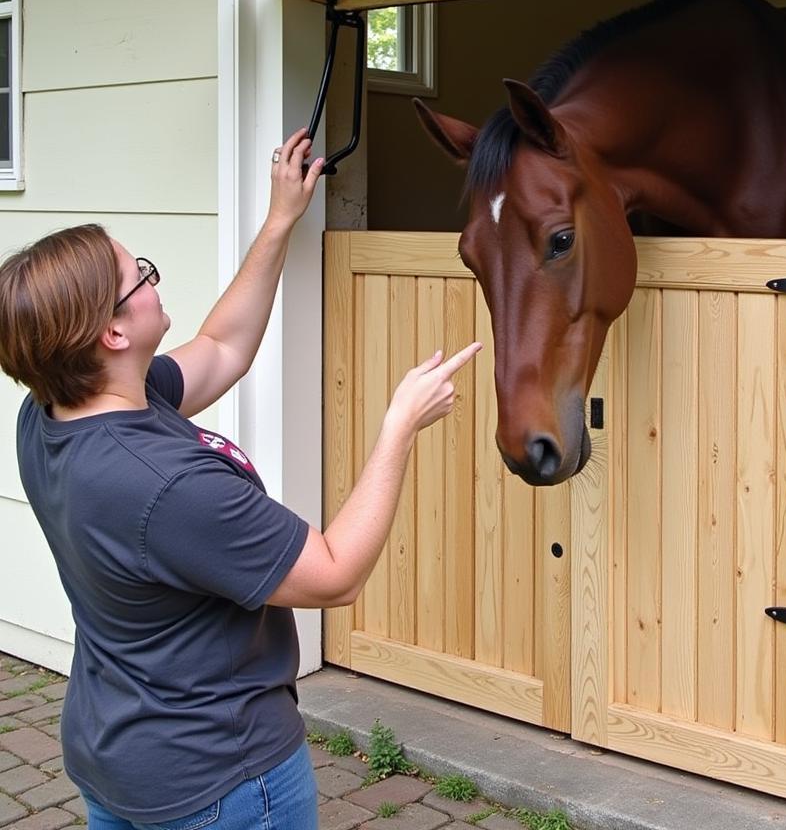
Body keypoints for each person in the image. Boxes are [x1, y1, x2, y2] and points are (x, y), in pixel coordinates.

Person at [0, 128, 481, 829]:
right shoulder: (164, 486)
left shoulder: (52, 412)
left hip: (119, 755)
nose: (151, 277)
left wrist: (281, 218)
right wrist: (398, 428)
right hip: (221, 782)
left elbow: (223, 347)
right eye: (140, 274)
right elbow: (334, 574)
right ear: (111, 334)